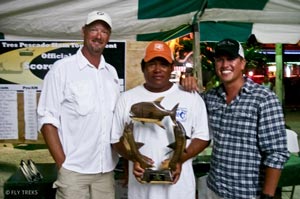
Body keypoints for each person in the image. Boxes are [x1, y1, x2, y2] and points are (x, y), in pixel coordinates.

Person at [181, 38, 289, 199]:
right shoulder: (210, 98)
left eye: (231, 59)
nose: (225, 65)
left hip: (248, 193)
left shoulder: (264, 98)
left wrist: (268, 195)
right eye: (220, 60)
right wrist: (186, 84)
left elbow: (276, 153)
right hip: (214, 188)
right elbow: (189, 110)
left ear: (242, 63)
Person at [111, 41, 210, 199]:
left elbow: (203, 137)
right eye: (152, 64)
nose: (157, 69)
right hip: (141, 191)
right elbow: (115, 139)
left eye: (163, 64)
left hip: (179, 191)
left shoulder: (190, 97)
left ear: (172, 67)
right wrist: (133, 159)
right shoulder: (126, 98)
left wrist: (178, 159)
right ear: (143, 67)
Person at [37, 11, 119, 199]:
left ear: (109, 37)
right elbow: (47, 119)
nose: (99, 36)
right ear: (84, 31)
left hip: (105, 172)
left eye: (104, 31)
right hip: (74, 172)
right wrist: (63, 164)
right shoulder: (62, 69)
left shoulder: (111, 73)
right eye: (94, 30)